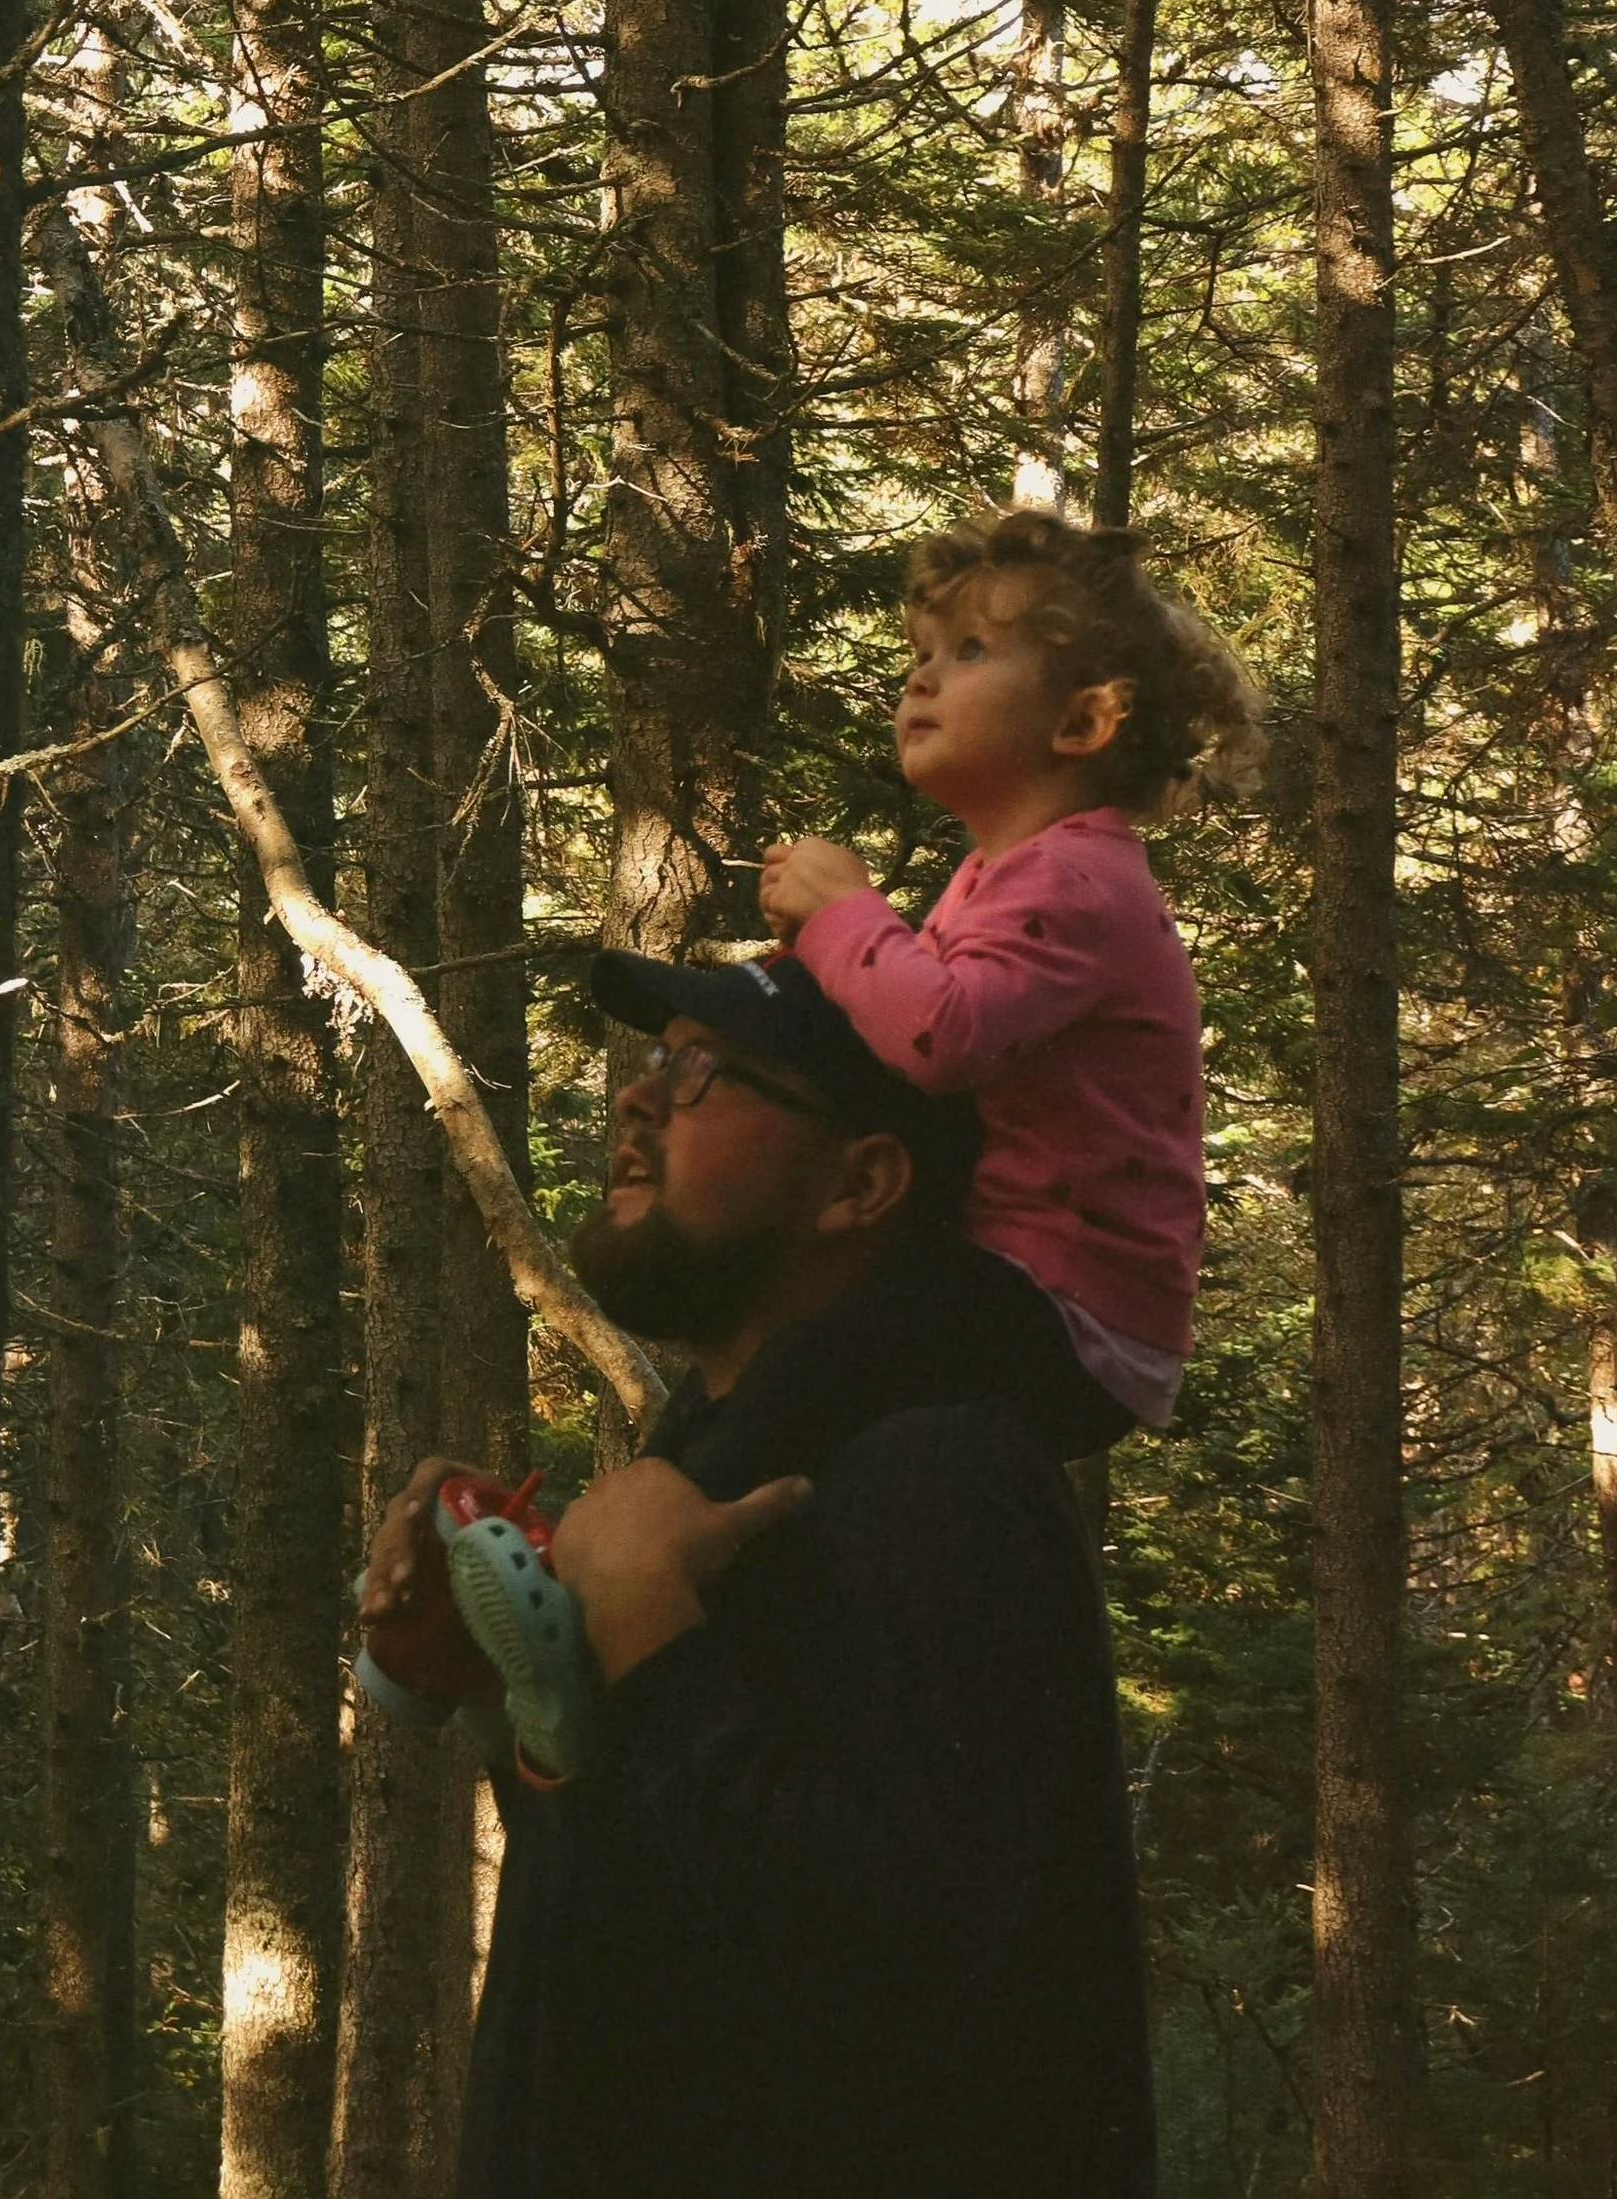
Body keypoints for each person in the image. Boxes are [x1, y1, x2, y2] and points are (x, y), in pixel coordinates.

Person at [360, 948, 1161, 2199]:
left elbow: (898, 1978)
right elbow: (651, 1943)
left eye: (701, 1073)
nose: (636, 1098)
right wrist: (517, 1683)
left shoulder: (934, 1473)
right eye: (652, 1060)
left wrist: (650, 1636)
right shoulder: (713, 1469)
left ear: (861, 1183)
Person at [760, 505, 1262, 1451]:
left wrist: (846, 915)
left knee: (798, 1366)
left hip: (1066, 1312)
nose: (921, 677)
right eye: (923, 653)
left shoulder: (1075, 877)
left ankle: (670, 1521)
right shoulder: (1012, 871)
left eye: (971, 652)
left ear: (1082, 722)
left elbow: (942, 1038)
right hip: (1023, 1285)